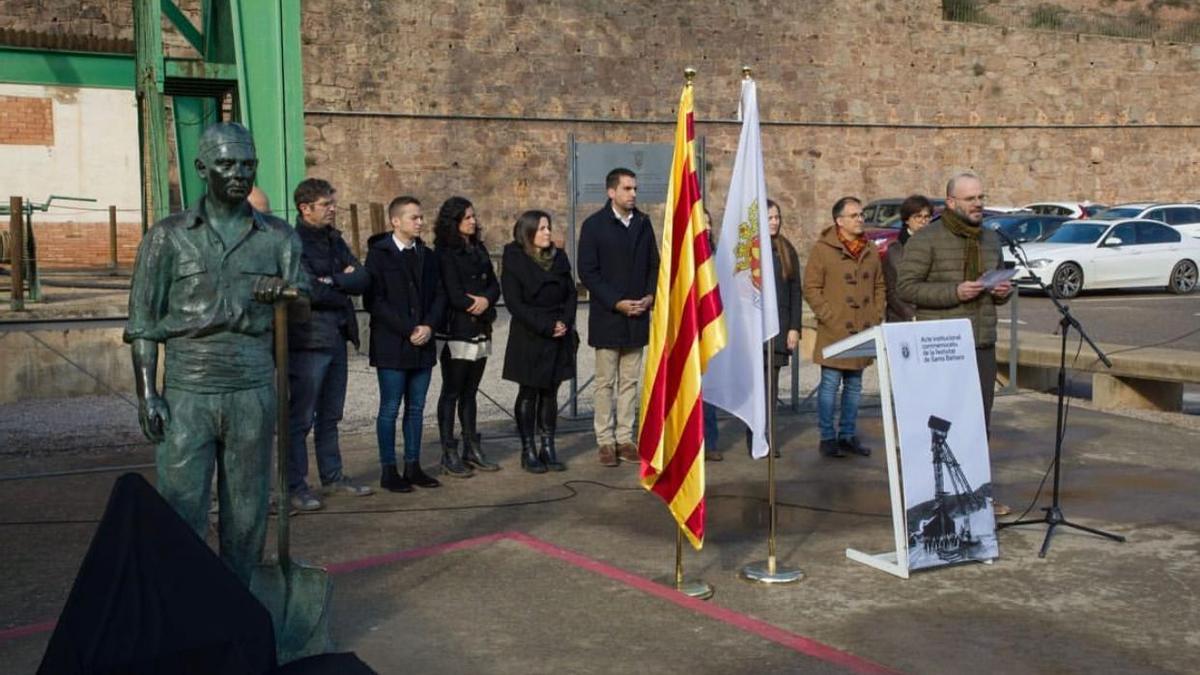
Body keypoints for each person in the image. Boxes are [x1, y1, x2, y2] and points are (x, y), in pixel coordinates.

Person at [125, 122, 308, 584]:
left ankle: (238, 602)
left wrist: (284, 296)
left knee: (246, 510)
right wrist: (148, 392)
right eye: (226, 163)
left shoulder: (280, 238)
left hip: (252, 388)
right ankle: (185, 607)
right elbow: (143, 323)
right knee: (181, 507)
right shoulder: (166, 237)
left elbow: (303, 312)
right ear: (201, 167)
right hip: (188, 392)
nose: (238, 173)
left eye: (247, 164)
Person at [895, 172, 1013, 514]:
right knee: (941, 426)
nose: (978, 204)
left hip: (981, 344)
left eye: (981, 197)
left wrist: (1002, 292)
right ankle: (934, 498)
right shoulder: (927, 239)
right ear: (951, 203)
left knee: (979, 424)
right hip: (942, 347)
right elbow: (907, 287)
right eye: (970, 198)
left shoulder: (991, 240)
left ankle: (977, 495)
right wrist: (954, 292)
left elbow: (999, 284)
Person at [285, 178, 373, 512]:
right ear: (305, 208)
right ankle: (296, 485)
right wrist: (339, 281)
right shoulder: (293, 243)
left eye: (333, 203)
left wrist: (334, 279)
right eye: (326, 204)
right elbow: (307, 289)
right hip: (307, 339)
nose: (333, 209)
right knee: (301, 417)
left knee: (331, 414)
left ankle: (333, 477)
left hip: (336, 335)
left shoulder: (334, 239)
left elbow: (362, 278)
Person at [577, 167, 660, 467]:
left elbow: (654, 264)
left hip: (638, 315)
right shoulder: (594, 226)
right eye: (627, 188)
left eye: (635, 188)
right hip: (608, 316)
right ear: (611, 192)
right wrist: (616, 303)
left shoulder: (643, 223)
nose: (633, 194)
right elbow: (587, 271)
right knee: (605, 382)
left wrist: (650, 296)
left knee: (630, 381)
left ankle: (626, 438)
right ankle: (605, 440)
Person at [364, 196, 446, 492]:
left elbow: (439, 295)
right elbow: (375, 300)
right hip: (392, 344)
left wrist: (428, 326)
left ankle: (413, 465)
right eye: (414, 217)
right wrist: (408, 328)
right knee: (390, 409)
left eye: (421, 217)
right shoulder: (379, 254)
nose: (420, 222)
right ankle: (389, 469)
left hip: (422, 343)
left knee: (416, 409)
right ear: (395, 221)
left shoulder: (427, 255)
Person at [803, 196, 885, 459]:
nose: (860, 219)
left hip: (863, 328)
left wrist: (876, 313)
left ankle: (847, 435)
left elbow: (879, 285)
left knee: (854, 385)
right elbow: (811, 287)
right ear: (839, 220)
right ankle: (827, 437)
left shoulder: (870, 248)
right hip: (834, 329)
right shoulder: (823, 249)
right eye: (854, 215)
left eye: (861, 214)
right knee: (830, 384)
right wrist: (829, 315)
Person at [501, 210, 578, 473]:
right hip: (530, 335)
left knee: (551, 392)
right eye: (542, 228)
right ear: (528, 232)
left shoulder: (559, 258)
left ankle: (548, 445)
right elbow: (514, 302)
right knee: (529, 391)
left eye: (549, 227)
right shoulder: (514, 259)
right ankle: (528, 449)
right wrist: (545, 326)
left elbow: (570, 294)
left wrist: (564, 323)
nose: (548, 232)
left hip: (559, 333)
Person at [433, 196, 501, 476]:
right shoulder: (444, 252)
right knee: (452, 390)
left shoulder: (478, 248)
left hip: (480, 326)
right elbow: (450, 290)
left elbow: (494, 283)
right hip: (457, 329)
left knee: (471, 391)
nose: (473, 221)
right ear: (454, 222)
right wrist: (471, 303)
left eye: (473, 216)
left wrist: (486, 300)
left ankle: (471, 445)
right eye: (467, 218)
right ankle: (449, 450)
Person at [747, 199, 803, 458]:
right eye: (769, 217)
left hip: (778, 329)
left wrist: (794, 328)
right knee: (754, 388)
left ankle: (770, 437)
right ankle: (755, 437)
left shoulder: (786, 249)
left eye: (777, 217)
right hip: (753, 330)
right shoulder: (748, 251)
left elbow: (794, 291)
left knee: (771, 386)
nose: (774, 222)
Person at [883, 195, 933, 323]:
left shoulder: (937, 246)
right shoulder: (895, 250)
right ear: (907, 220)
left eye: (926, 217)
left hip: (931, 315)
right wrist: (910, 314)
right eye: (918, 217)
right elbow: (891, 291)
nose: (923, 221)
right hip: (902, 318)